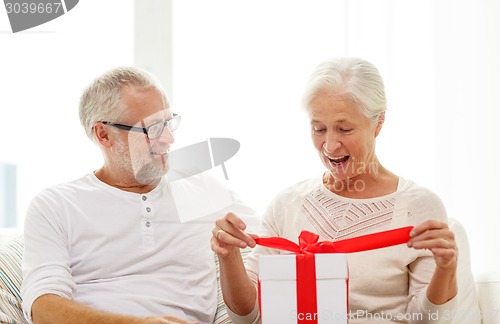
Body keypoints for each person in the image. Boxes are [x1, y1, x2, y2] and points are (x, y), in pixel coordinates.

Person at [211, 57, 478, 323]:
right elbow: (248, 318)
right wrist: (229, 256)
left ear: (379, 123)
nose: (329, 145)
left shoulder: (419, 206)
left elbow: (427, 321)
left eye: (344, 129)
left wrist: (446, 270)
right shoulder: (287, 204)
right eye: (319, 129)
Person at [21, 67, 220, 324]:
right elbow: (42, 307)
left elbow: (268, 252)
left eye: (168, 123)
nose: (169, 139)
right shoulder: (55, 205)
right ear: (104, 135)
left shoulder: (202, 193)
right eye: (152, 128)